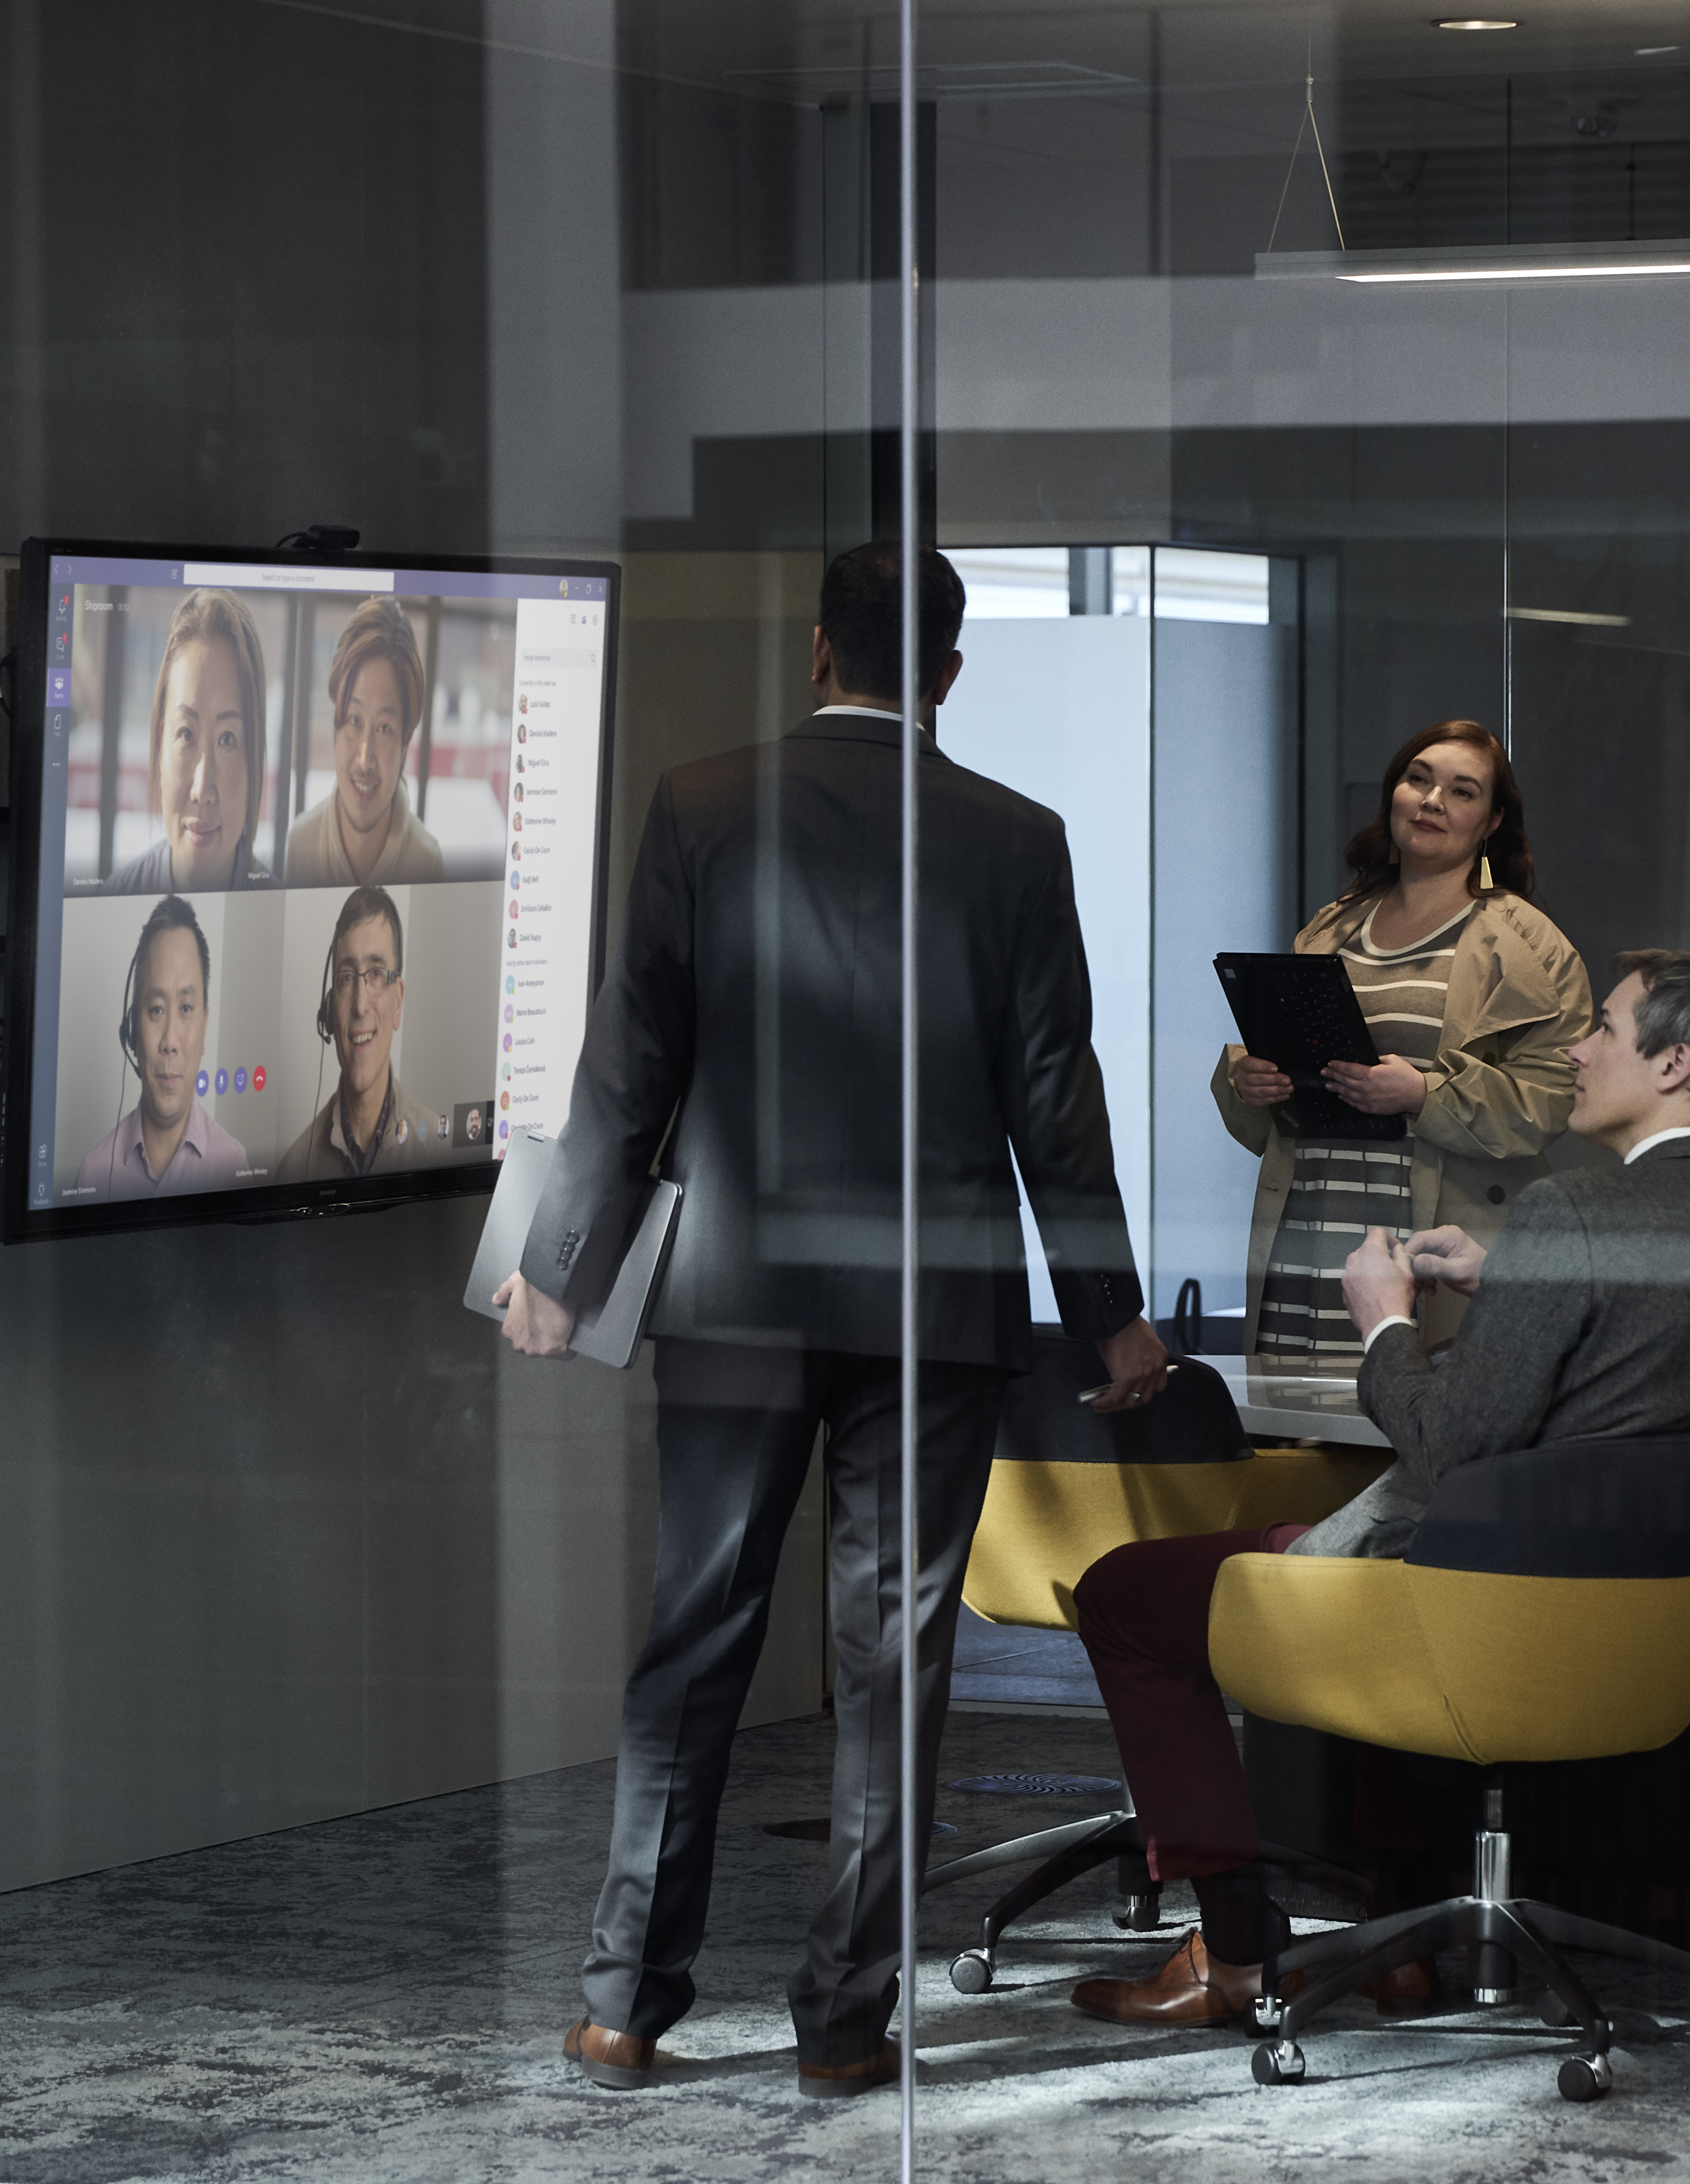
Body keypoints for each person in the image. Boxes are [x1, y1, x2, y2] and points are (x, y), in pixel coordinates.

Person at [495, 541, 1169, 2101]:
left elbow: (627, 1064)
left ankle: (620, 2008)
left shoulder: (700, 803)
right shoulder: (1017, 839)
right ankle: (844, 2023)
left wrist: (561, 1259)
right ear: (943, 672)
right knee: (891, 1663)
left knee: (694, 1640)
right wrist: (1113, 1318)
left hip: (734, 1295)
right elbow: (1054, 1104)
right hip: (934, 1309)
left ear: (816, 656)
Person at [1064, 949, 1690, 2027]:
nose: (1576, 1046)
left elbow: (1444, 1439)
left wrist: (1384, 1319)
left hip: (1472, 1604)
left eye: (1603, 1027)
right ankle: (1399, 1947)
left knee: (1124, 1592)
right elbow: (1634, 1380)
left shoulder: (1577, 1212)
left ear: (1674, 1062)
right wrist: (1506, 1277)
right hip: (1634, 1626)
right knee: (1367, 1574)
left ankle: (1233, 1946)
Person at [1216, 719, 1593, 1362]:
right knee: (1301, 1432)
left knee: (1413, 1418)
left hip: (1430, 1247)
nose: (1433, 801)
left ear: (1493, 822)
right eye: (1418, 780)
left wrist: (1424, 1095)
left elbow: (1557, 1095)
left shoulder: (1529, 945)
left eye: (1462, 791)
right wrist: (1246, 1079)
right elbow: (1273, 1076)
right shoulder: (1332, 925)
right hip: (1307, 1226)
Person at [69, 895, 252, 1197]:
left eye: (186, 1009)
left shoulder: (234, 1167)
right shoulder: (94, 1173)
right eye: (156, 1010)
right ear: (132, 1031)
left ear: (205, 1026)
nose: (170, 1043)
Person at [101, 588, 272, 894]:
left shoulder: (285, 918)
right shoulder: (112, 906)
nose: (201, 790)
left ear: (255, 755)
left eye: (228, 739)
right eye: (186, 734)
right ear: (160, 740)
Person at [277, 886, 449, 1178]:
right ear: (330, 1009)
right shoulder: (294, 1170)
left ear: (398, 1001)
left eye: (377, 974)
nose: (360, 1005)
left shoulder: (440, 1153)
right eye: (346, 978)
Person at [281, 597, 449, 887]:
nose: (364, 758)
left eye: (384, 728)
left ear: (405, 743)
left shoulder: (428, 865)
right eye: (354, 720)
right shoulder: (301, 846)